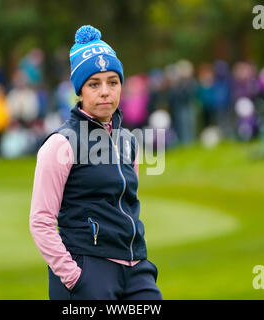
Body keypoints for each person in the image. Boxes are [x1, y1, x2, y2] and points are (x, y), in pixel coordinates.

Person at [29, 25, 162, 300]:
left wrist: (142, 266)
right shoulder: (60, 144)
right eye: (94, 84)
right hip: (88, 272)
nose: (105, 91)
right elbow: (41, 221)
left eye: (113, 82)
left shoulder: (128, 141)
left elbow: (126, 204)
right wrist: (75, 278)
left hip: (136, 270)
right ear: (80, 91)